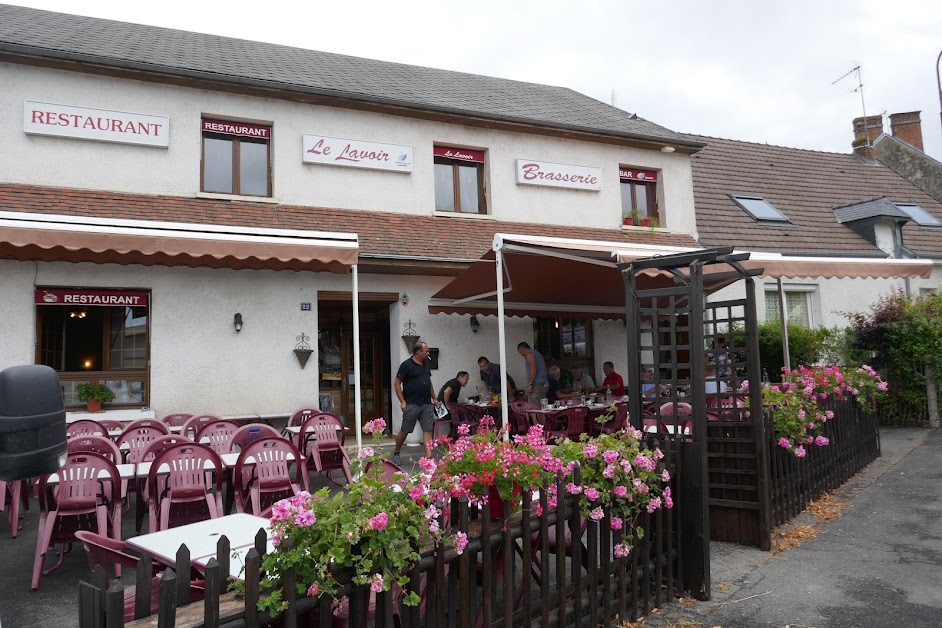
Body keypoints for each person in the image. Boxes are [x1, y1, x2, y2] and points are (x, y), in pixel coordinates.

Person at [392, 341, 437, 465]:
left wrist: (434, 398)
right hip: (411, 404)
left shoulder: (426, 363)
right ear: (419, 352)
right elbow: (396, 383)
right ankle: (396, 452)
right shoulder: (406, 365)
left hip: (426, 404)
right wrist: (402, 401)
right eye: (426, 351)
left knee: (428, 430)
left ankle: (428, 460)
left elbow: (428, 382)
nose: (428, 353)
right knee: (404, 431)